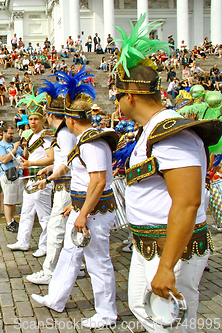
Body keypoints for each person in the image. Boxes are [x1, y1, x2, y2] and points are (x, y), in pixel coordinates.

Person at [113, 16, 220, 333]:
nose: (116, 102)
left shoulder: (172, 132)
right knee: (141, 307)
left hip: (171, 247)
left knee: (170, 324)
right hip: (148, 243)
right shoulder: (151, 129)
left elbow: (187, 203)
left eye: (118, 95)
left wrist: (168, 266)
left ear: (130, 97)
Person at [31, 66, 119, 329]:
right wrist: (75, 205)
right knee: (70, 254)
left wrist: (83, 212)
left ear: (70, 120)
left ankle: (106, 313)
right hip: (83, 207)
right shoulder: (85, 140)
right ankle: (56, 298)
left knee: (98, 261)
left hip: (93, 212)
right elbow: (84, 179)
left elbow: (99, 181)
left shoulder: (92, 143)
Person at [7, 92, 54, 257]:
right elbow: (30, 156)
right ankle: (23, 241)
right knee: (26, 211)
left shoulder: (46, 137)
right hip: (30, 178)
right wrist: (23, 158)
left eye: (36, 119)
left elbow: (51, 159)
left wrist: (30, 163)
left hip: (42, 178)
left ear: (42, 120)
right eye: (31, 119)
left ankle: (47, 246)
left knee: (44, 215)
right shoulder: (32, 136)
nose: (33, 122)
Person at [0, 125, 24, 233]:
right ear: (3, 133)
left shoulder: (13, 144)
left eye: (13, 133)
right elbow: (4, 159)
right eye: (10, 133)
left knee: (13, 200)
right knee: (8, 200)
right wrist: (15, 149)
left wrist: (24, 146)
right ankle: (8, 223)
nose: (12, 135)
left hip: (17, 174)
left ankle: (12, 220)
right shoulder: (0, 146)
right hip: (8, 175)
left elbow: (23, 156)